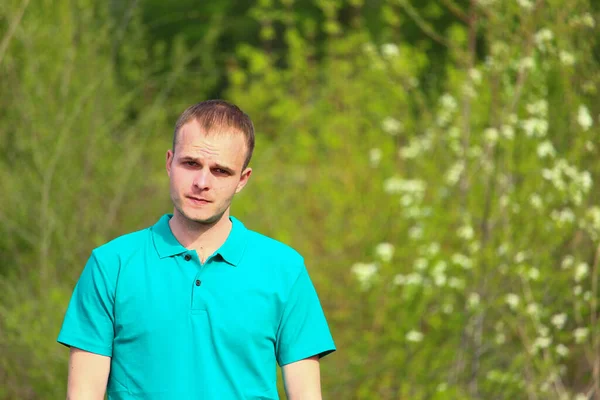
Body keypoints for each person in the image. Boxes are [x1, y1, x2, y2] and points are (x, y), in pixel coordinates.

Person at [57, 100, 336, 400]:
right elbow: (84, 393)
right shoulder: (111, 265)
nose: (202, 182)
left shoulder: (285, 270)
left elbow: (307, 394)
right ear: (169, 162)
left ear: (242, 180)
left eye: (220, 171)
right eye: (191, 163)